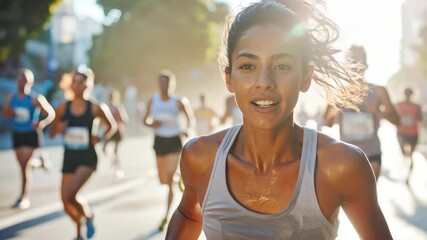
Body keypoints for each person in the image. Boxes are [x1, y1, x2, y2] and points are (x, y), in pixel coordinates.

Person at [166, 1, 393, 239]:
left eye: (282, 65)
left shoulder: (342, 165)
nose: (264, 81)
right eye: (248, 66)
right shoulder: (200, 158)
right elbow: (190, 213)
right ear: (229, 79)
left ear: (305, 77)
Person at [49, 69, 117, 240]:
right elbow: (51, 132)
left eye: (81, 82)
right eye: (75, 82)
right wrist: (59, 128)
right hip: (69, 156)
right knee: (65, 202)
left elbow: (112, 126)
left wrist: (101, 137)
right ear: (71, 85)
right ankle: (79, 232)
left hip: (87, 157)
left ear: (88, 85)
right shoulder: (63, 107)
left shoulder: (95, 107)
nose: (77, 85)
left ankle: (89, 216)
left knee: (70, 194)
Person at [324, 45, 400, 181]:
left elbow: (397, 121)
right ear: (346, 66)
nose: (356, 67)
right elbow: (328, 123)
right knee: (348, 199)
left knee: (368, 197)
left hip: (372, 152)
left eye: (359, 62)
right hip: (346, 153)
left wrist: (378, 112)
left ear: (366, 65)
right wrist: (335, 111)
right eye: (352, 63)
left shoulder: (379, 91)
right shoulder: (339, 92)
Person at [143, 69, 195, 231]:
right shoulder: (153, 100)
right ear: (158, 84)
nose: (164, 86)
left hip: (174, 140)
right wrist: (152, 124)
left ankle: (166, 215)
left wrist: (186, 129)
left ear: (171, 84)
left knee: (169, 180)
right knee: (163, 180)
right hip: (159, 141)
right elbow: (145, 120)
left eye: (167, 83)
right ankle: (177, 178)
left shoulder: (178, 101)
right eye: (161, 83)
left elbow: (189, 118)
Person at [3, 68, 55, 209]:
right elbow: (6, 114)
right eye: (20, 79)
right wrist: (11, 112)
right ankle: (39, 163)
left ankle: (24, 197)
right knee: (23, 165)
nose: (22, 82)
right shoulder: (11, 98)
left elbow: (51, 113)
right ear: (16, 81)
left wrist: (42, 123)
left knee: (24, 165)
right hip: (17, 134)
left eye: (25, 79)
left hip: (31, 134)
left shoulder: (35, 99)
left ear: (30, 82)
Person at [395, 87, 422, 185]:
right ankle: (403, 170)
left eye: (408, 93)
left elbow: (420, 119)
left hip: (413, 133)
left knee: (410, 156)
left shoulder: (416, 106)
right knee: (404, 154)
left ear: (411, 94)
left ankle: (408, 176)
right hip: (402, 133)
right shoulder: (398, 105)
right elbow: (394, 117)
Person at [102, 88, 129, 178]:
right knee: (105, 149)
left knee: (116, 150)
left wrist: (116, 120)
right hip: (108, 131)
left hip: (117, 131)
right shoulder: (106, 107)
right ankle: (113, 164)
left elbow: (124, 119)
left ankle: (117, 167)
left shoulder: (118, 107)